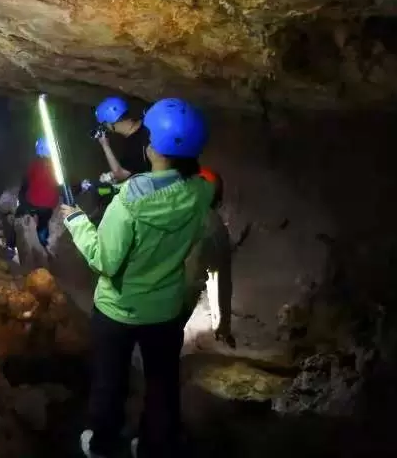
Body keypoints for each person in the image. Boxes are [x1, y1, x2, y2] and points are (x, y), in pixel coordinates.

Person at [55, 98, 213, 458]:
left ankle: (102, 443)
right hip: (165, 309)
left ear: (153, 147)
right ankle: (155, 445)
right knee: (162, 383)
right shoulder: (201, 192)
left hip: (119, 309)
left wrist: (77, 221)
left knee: (110, 380)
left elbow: (105, 260)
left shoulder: (129, 200)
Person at [184, 167, 235, 347]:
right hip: (179, 299)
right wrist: (222, 326)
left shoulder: (170, 210)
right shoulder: (216, 228)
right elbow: (220, 281)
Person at [16, 138, 59, 251]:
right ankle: (44, 243)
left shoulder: (35, 164)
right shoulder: (57, 165)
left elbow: (26, 181)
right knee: (43, 223)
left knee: (20, 210)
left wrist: (22, 197)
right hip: (49, 205)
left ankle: (11, 245)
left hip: (33, 203)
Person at [94, 96, 150, 183]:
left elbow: (120, 174)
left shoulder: (132, 147)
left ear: (110, 124)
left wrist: (105, 145)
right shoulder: (148, 121)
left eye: (105, 124)